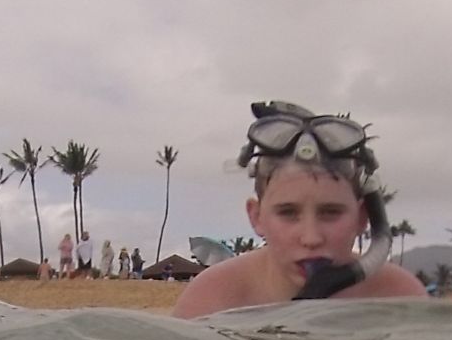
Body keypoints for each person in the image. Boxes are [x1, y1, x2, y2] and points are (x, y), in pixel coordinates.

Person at [172, 101, 426, 318]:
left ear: (362, 218)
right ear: (256, 216)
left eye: (330, 213)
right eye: (288, 213)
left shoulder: (399, 298)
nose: (311, 238)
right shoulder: (213, 300)